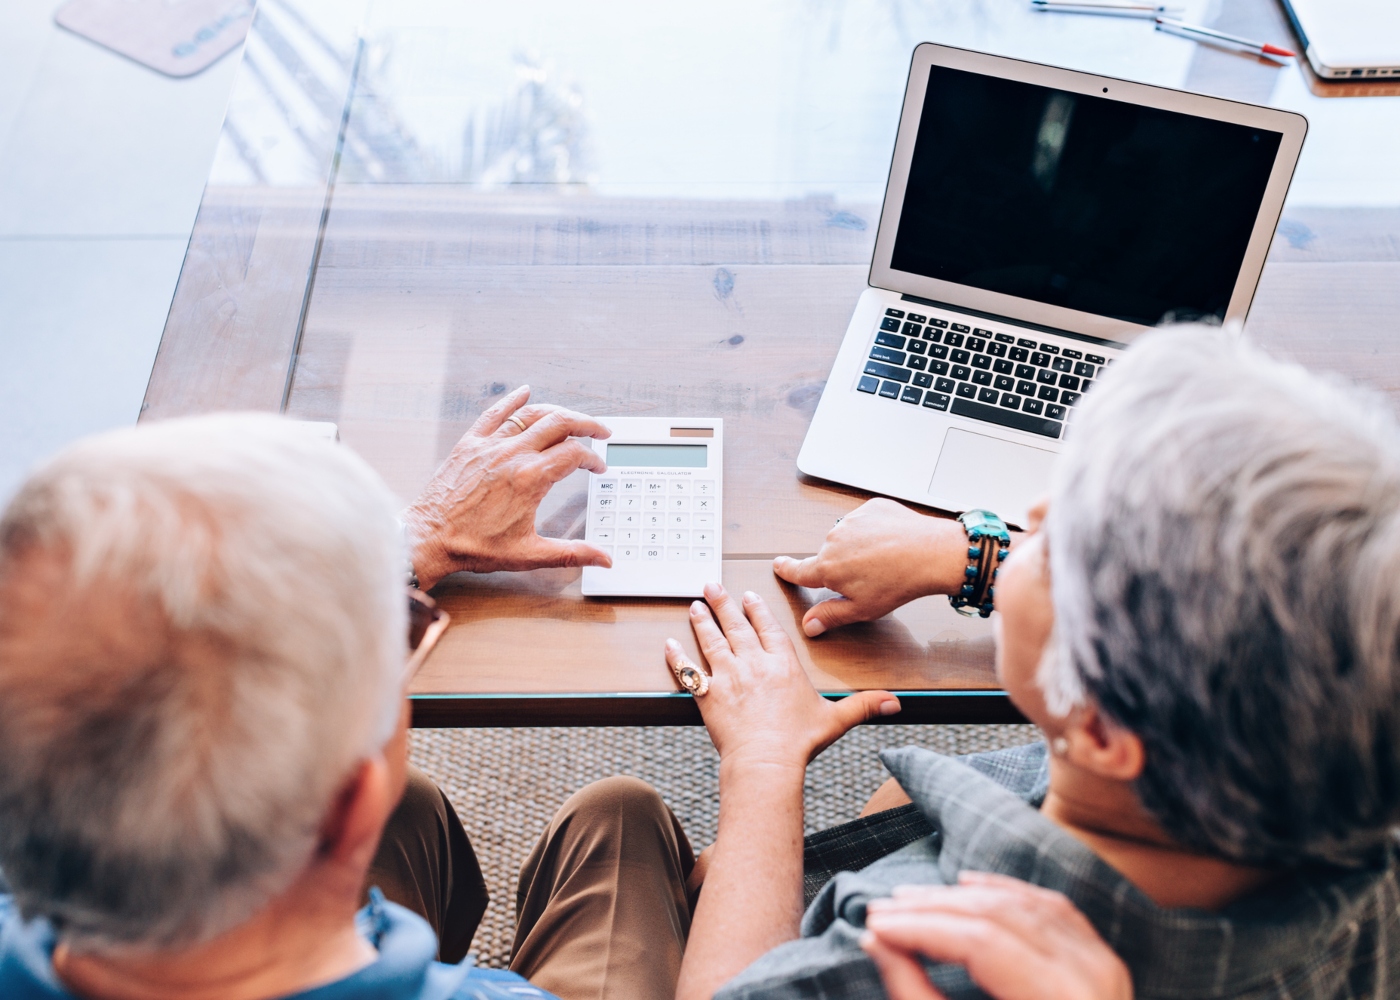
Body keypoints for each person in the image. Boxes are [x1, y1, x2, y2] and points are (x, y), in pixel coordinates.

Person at [663, 327, 1400, 999]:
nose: (1033, 514)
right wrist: (978, 560)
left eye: (1064, 541)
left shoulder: (910, 955)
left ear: (1106, 733)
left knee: (618, 822)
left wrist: (762, 762)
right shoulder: (1350, 815)